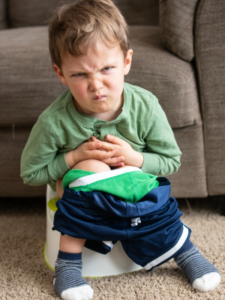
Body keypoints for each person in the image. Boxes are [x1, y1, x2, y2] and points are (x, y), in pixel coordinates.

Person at [20, 0, 221, 299]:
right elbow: (31, 173)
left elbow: (170, 161)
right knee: (93, 171)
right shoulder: (54, 122)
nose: (96, 84)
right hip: (80, 191)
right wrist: (76, 157)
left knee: (146, 186)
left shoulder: (145, 106)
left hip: (132, 185)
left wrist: (134, 158)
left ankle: (185, 252)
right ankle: (68, 266)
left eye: (107, 68)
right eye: (79, 74)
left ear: (126, 62)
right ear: (60, 73)